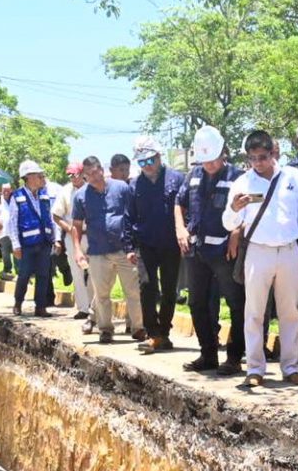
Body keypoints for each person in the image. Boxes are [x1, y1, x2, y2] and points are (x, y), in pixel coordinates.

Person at [223, 130, 298, 387]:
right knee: (254, 312)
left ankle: (290, 367)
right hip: (257, 251)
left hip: (289, 251)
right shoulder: (242, 183)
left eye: (263, 157)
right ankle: (255, 368)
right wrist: (234, 209)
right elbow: (228, 222)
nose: (258, 163)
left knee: (290, 312)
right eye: (253, 158)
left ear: (272, 153)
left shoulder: (292, 176)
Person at [176, 125, 246, 375]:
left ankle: (234, 357)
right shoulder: (193, 175)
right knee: (197, 303)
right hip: (197, 251)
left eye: (213, 159)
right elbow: (179, 203)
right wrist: (180, 229)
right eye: (204, 160)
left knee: (237, 303)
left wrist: (236, 234)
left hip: (226, 252)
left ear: (223, 152)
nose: (209, 165)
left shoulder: (238, 176)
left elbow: (248, 210)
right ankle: (208, 354)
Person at [72, 156, 144, 344]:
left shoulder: (121, 188)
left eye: (95, 172)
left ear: (102, 170)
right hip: (97, 252)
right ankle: (105, 329)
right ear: (84, 176)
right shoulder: (80, 196)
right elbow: (76, 225)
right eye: (88, 174)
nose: (93, 177)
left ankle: (138, 328)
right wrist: (78, 250)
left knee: (133, 291)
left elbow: (134, 215)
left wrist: (135, 244)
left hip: (124, 250)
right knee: (102, 294)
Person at [132, 136, 187, 354]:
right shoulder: (135, 184)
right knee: (146, 286)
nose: (146, 166)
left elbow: (186, 210)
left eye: (149, 161)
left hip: (170, 244)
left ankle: (164, 332)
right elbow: (130, 216)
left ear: (159, 156)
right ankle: (152, 332)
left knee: (169, 289)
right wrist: (129, 246)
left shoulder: (177, 179)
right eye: (142, 162)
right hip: (145, 244)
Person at [9, 162, 59, 316]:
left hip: (44, 242)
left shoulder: (44, 195)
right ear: (29, 177)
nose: (42, 178)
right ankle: (18, 303)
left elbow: (51, 218)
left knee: (44, 275)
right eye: (39, 175)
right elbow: (12, 222)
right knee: (24, 275)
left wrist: (56, 239)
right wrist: (15, 245)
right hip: (27, 245)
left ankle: (40, 306)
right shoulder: (17, 196)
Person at [53, 163, 94, 324]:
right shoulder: (65, 191)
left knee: (94, 272)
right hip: (72, 236)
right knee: (76, 272)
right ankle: (83, 308)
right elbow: (56, 216)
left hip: (91, 235)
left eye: (75, 174)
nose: (72, 178)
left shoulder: (91, 188)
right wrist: (69, 229)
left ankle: (93, 305)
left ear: (82, 173)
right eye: (69, 175)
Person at [0, 182, 15, 280]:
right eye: (4, 190)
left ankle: (19, 271)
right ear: (1, 191)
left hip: (14, 232)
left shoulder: (15, 200)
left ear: (11, 190)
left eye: (8, 190)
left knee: (16, 251)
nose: (6, 192)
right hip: (3, 232)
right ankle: (7, 269)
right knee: (5, 253)